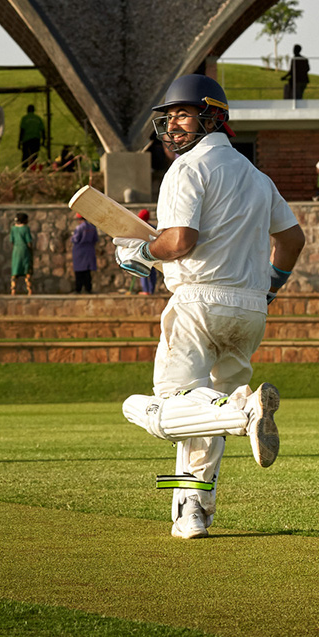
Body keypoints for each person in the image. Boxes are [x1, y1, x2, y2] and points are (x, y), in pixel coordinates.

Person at [114, 74, 306, 540]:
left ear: (213, 116)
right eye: (168, 117)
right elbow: (292, 239)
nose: (173, 126)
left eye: (183, 114)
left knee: (161, 405)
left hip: (199, 301)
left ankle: (244, 412)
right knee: (203, 411)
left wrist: (137, 253)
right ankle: (192, 513)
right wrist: (272, 288)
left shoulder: (187, 170)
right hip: (249, 310)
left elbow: (179, 241)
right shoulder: (257, 177)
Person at [70, 213, 98, 294]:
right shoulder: (92, 227)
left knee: (79, 271)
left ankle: (78, 289)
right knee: (87, 271)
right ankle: (88, 289)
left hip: (79, 251)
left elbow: (75, 239)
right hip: (89, 251)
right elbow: (95, 239)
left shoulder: (79, 228)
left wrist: (71, 238)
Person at [9, 211, 33, 294]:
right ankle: (29, 289)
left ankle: (13, 289)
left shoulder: (13, 229)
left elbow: (11, 241)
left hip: (16, 250)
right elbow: (29, 241)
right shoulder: (26, 228)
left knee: (15, 270)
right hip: (24, 250)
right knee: (27, 270)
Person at [136, 209, 158, 295]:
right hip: (153, 252)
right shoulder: (153, 228)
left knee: (142, 270)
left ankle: (146, 290)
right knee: (152, 271)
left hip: (143, 252)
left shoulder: (140, 228)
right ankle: (152, 290)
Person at [19, 104, 46, 169]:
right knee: (34, 156)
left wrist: (19, 142)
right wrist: (44, 140)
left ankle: (25, 169)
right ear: (34, 110)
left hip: (26, 140)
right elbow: (42, 130)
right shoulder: (38, 118)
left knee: (26, 156)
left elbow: (22, 131)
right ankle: (33, 169)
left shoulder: (25, 118)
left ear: (27, 110)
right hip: (36, 139)